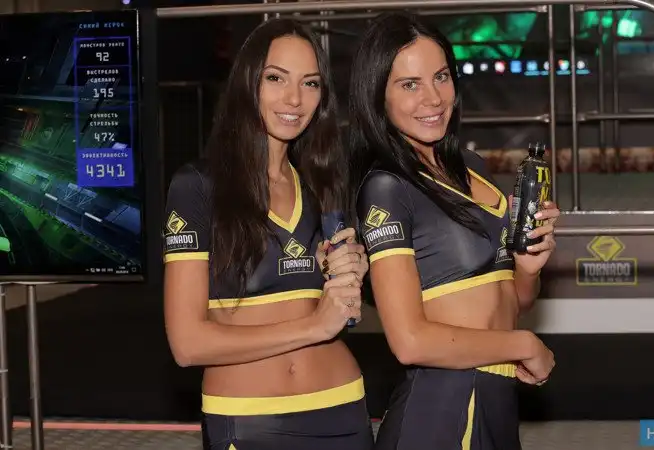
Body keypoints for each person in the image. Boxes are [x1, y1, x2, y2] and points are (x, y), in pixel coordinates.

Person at [347, 12, 559, 450]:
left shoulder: (472, 168)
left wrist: (528, 269)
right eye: (410, 84)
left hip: (495, 399)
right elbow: (409, 342)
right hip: (441, 409)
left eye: (441, 77)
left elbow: (511, 304)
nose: (433, 98)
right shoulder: (387, 187)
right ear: (377, 95)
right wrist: (523, 344)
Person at [162, 19, 373, 450]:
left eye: (310, 83)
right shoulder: (198, 186)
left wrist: (346, 279)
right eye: (276, 78)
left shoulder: (321, 184)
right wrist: (314, 325)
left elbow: (346, 318)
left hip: (342, 408)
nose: (294, 98)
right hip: (248, 420)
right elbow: (187, 344)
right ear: (248, 82)